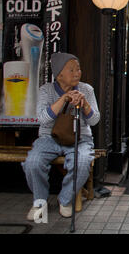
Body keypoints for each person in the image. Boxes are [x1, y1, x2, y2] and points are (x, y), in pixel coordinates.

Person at [22, 52, 100, 220]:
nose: (77, 73)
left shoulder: (87, 89)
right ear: (59, 75)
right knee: (32, 162)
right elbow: (42, 119)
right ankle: (40, 202)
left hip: (80, 138)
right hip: (49, 137)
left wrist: (85, 103)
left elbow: (94, 121)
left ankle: (65, 200)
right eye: (71, 70)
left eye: (78, 69)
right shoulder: (46, 90)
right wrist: (64, 99)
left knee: (83, 161)